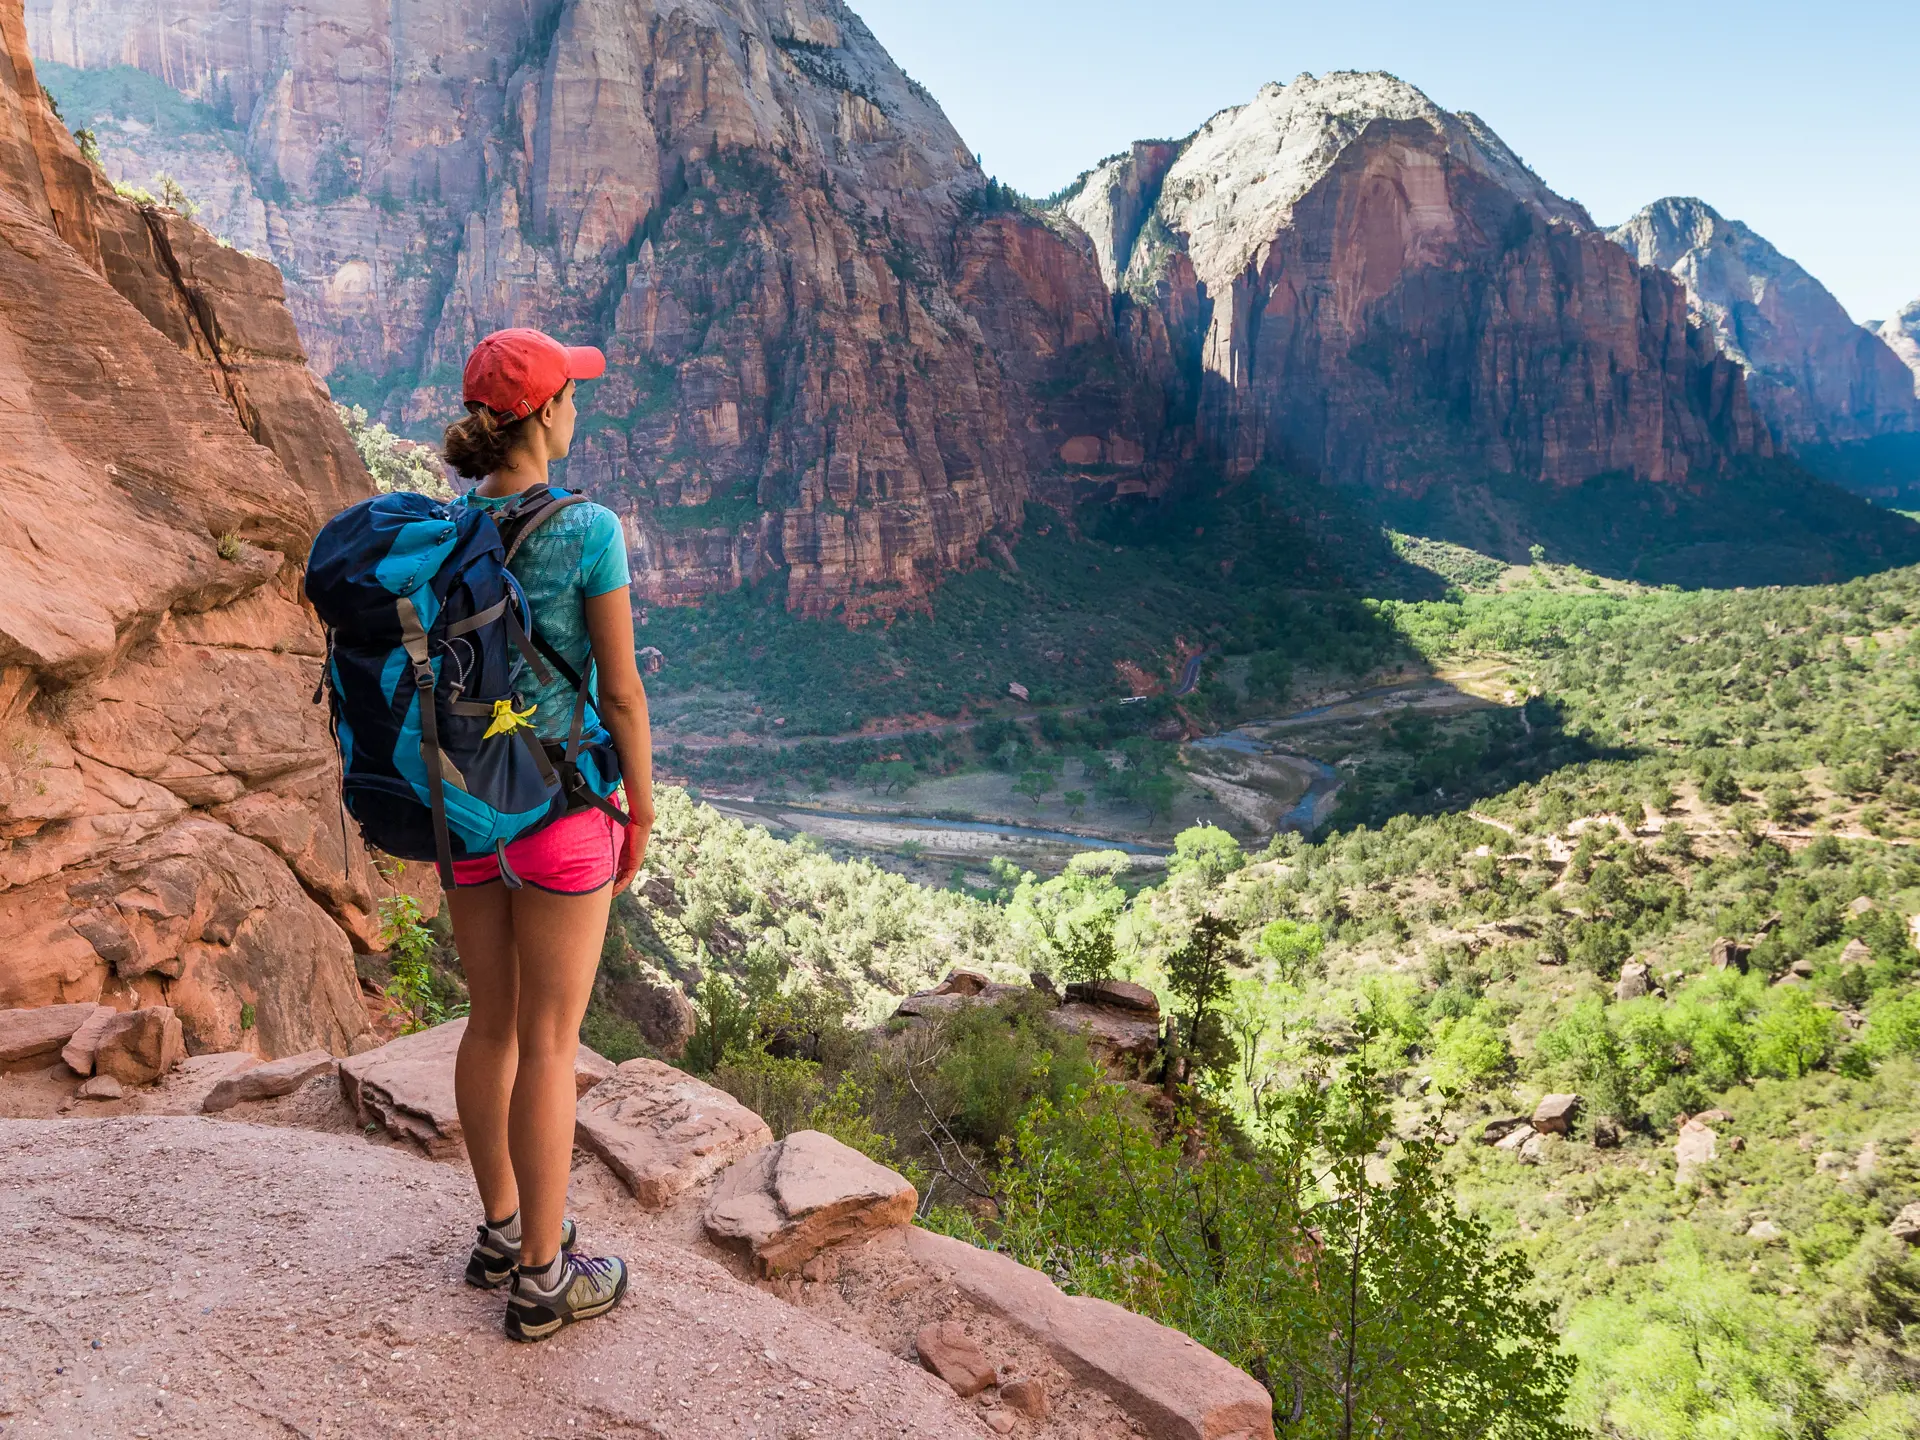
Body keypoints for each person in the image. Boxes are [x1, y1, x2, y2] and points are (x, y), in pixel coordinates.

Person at [438, 328, 654, 1342]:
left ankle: (497, 1231)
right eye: (572, 391)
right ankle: (543, 1277)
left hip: (469, 807)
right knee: (551, 1044)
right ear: (544, 415)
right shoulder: (591, 528)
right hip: (563, 813)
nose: (580, 406)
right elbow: (619, 689)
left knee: (490, 1025)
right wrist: (641, 807)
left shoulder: (448, 524)